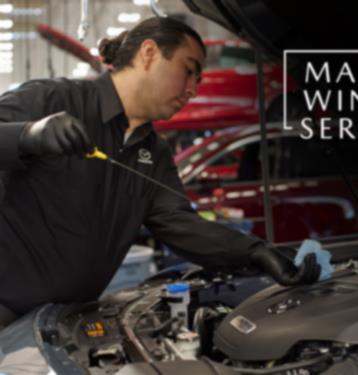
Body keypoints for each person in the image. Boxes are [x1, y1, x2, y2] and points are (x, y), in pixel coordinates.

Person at [0, 17, 320, 324]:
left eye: (198, 81)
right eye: (188, 71)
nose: (192, 89)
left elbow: (180, 224)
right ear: (149, 53)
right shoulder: (51, 99)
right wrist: (29, 135)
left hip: (67, 325)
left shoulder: (154, 152)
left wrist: (257, 252)